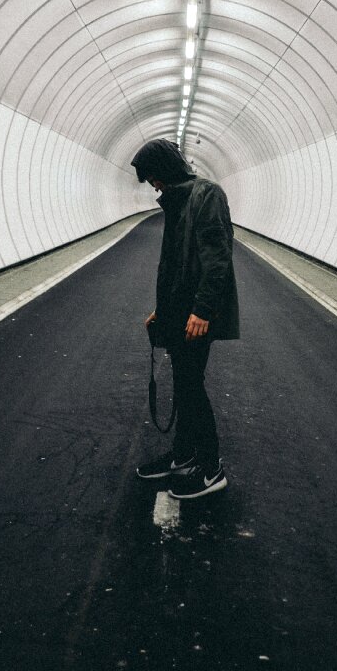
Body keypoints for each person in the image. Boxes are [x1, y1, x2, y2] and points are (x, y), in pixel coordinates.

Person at [130, 138, 239, 499]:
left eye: (153, 178)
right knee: (184, 384)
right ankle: (183, 457)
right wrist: (163, 310)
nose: (153, 186)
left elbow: (217, 258)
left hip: (196, 314)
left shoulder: (207, 195)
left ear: (165, 171)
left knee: (191, 386)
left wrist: (203, 310)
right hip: (178, 312)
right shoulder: (178, 203)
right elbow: (176, 265)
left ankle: (210, 468)